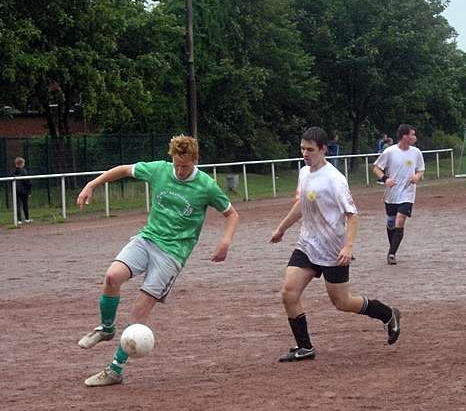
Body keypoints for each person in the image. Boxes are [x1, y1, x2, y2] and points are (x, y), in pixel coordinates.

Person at [76, 135, 239, 386]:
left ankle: (115, 369)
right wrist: (92, 184)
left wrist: (225, 242)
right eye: (176, 164)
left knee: (140, 309)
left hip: (172, 253)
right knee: (112, 276)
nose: (180, 170)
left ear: (195, 160)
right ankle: (107, 328)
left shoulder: (206, 186)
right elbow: (122, 170)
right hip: (147, 239)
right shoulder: (160, 170)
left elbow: (231, 214)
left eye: (185, 165)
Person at [270, 126, 400, 363]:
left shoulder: (335, 179)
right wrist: (282, 228)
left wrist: (348, 247)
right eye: (302, 148)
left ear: (323, 150)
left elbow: (352, 215)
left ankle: (388, 314)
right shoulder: (304, 173)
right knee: (289, 292)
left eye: (310, 149)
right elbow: (302, 204)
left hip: (333, 250)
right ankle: (305, 347)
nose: (305, 153)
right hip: (308, 245)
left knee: (342, 302)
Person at [373, 124, 425, 265]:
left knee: (400, 219)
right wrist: (385, 179)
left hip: (407, 193)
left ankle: (391, 254)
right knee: (391, 222)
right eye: (412, 134)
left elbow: (420, 170)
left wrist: (417, 177)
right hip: (391, 194)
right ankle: (393, 247)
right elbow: (377, 168)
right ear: (404, 136)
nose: (415, 137)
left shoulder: (416, 152)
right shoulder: (390, 152)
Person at [12, 157, 32, 224]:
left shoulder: (13, 172)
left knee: (17, 205)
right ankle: (27, 218)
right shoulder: (24, 171)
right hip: (24, 190)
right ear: (22, 164)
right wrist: (29, 190)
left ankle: (19, 220)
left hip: (16, 190)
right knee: (25, 204)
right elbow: (27, 181)